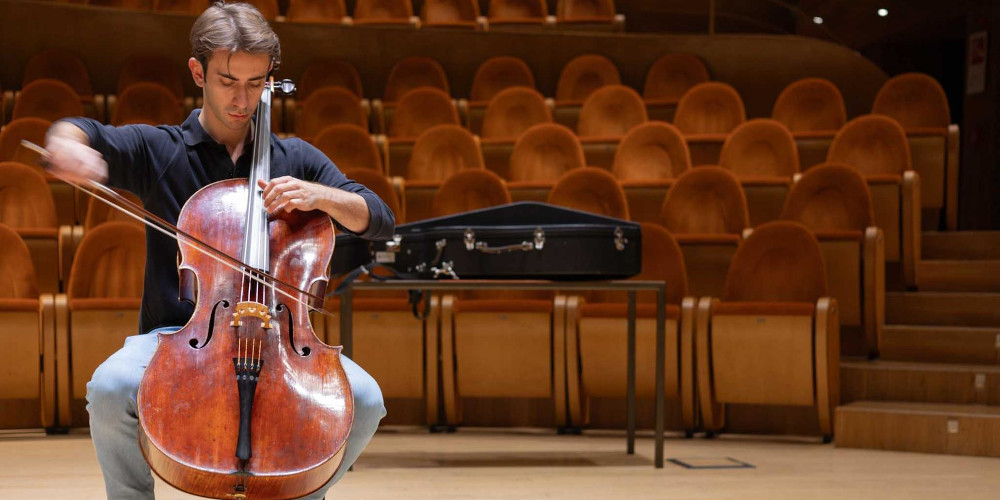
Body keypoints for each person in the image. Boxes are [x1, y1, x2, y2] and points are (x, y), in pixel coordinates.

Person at [43, 3, 392, 499]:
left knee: (367, 400)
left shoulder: (296, 159)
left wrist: (323, 197)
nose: (242, 99)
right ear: (198, 72)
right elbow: (81, 130)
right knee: (109, 388)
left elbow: (378, 217)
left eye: (256, 82)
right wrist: (67, 145)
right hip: (178, 338)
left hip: (281, 344)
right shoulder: (161, 151)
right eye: (228, 81)